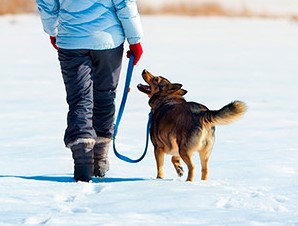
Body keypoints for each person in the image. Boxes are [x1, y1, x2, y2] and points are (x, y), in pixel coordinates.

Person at [36, 0, 143, 182]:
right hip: (108, 41)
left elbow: (46, 3)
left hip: (71, 40)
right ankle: (99, 160)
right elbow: (125, 3)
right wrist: (135, 40)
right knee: (105, 96)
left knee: (80, 100)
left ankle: (83, 164)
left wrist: (52, 30)